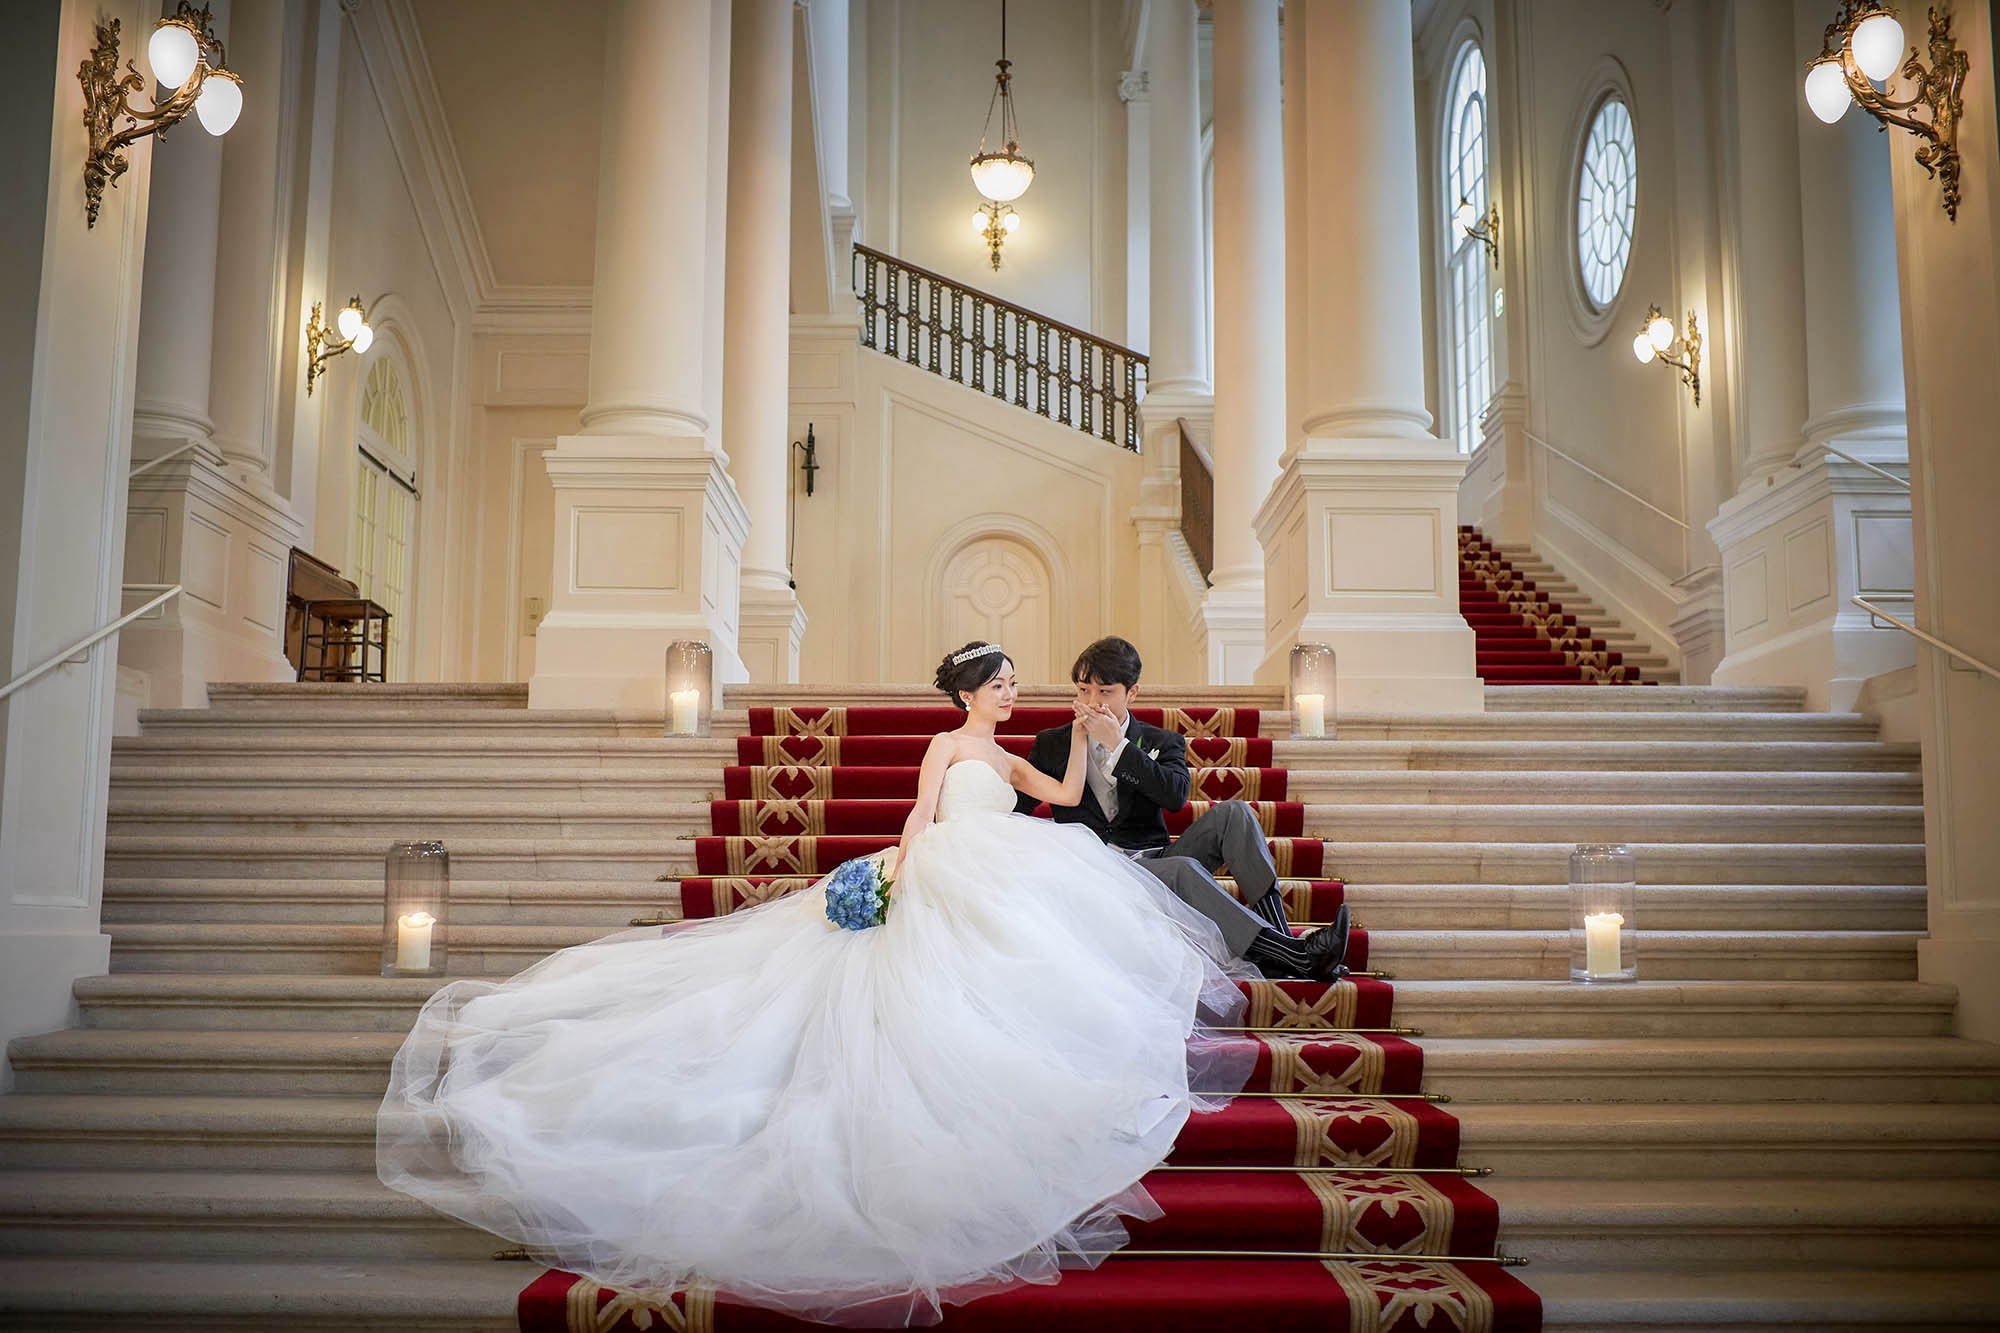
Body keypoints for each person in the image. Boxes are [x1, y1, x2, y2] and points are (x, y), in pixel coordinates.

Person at [376, 641, 1257, 1328]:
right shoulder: (947, 747)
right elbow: (918, 813)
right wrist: (895, 875)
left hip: (1009, 866)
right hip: (943, 869)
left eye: (1016, 683)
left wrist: (1100, 742)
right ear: (966, 693)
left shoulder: (1026, 753)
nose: (1012, 692)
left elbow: (1067, 798)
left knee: (1024, 966)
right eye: (1000, 682)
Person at [1014, 636, 1351, 981]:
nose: (1092, 702)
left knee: (1235, 814)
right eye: (1084, 691)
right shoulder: (1052, 744)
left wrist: (1118, 745)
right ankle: (1292, 955)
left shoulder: (1163, 741)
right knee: (1183, 869)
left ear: (1133, 693)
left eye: (1105, 692)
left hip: (1153, 858)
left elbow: (1175, 798)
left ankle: (1279, 948)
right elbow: (1018, 806)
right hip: (1098, 871)